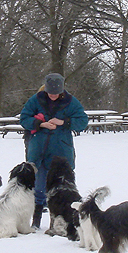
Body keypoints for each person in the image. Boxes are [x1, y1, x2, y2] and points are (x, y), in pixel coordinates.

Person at [19, 73, 88, 229]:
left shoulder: (71, 102)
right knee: (38, 186)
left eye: (56, 94)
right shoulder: (36, 100)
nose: (53, 96)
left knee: (64, 187)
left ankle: (68, 219)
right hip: (38, 150)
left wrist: (64, 122)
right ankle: (36, 221)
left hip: (61, 151)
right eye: (50, 93)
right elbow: (24, 119)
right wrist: (40, 124)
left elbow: (82, 121)